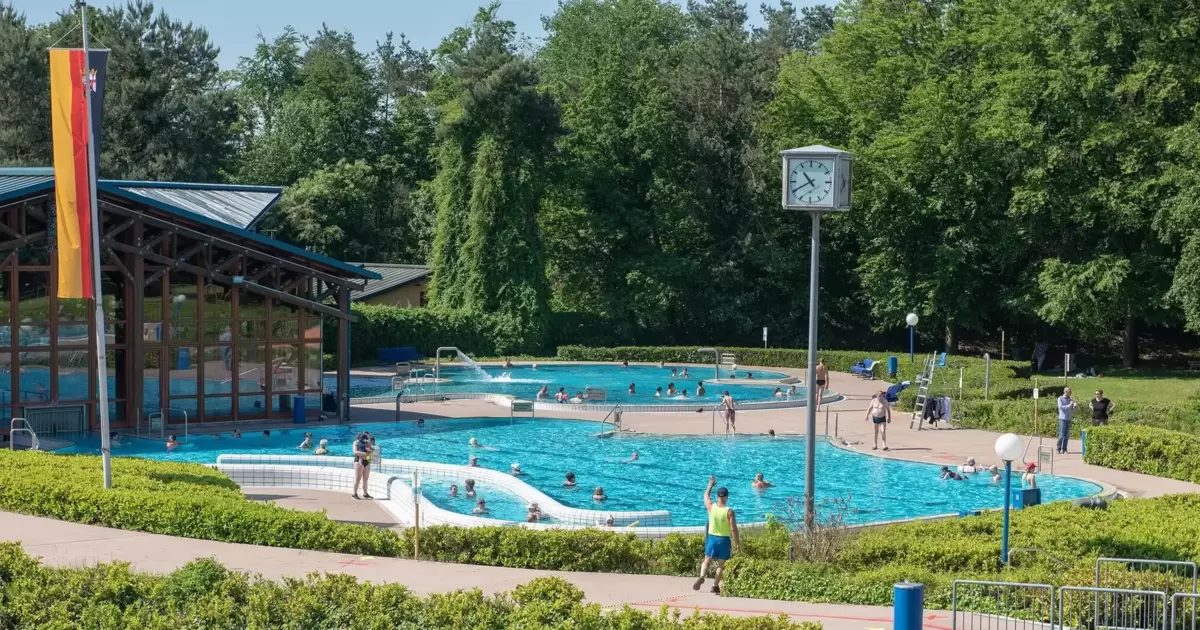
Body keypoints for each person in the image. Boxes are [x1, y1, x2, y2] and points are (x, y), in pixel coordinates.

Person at [693, 476, 740, 595]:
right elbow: (733, 529)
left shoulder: (711, 506)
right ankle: (715, 586)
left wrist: (710, 485)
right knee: (721, 564)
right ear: (727, 497)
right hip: (724, 540)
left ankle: (702, 576)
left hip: (711, 538)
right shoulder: (729, 511)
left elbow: (705, 496)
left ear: (718, 496)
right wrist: (737, 543)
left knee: (707, 560)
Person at [352, 432, 373, 499]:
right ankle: (354, 494)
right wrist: (366, 454)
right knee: (358, 478)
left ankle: (365, 493)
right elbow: (355, 452)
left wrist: (369, 447)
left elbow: (371, 450)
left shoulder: (367, 442)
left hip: (366, 461)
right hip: (358, 461)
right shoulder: (356, 442)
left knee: (365, 478)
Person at [1057, 387, 1077, 454]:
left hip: (1069, 418)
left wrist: (1074, 406)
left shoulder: (1070, 399)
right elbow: (1061, 407)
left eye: (1070, 392)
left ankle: (1064, 449)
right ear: (1065, 392)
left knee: (1067, 435)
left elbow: (1072, 410)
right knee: (1062, 435)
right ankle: (1058, 448)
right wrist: (1069, 405)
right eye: (1069, 392)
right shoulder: (1060, 398)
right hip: (1062, 418)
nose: (1070, 394)